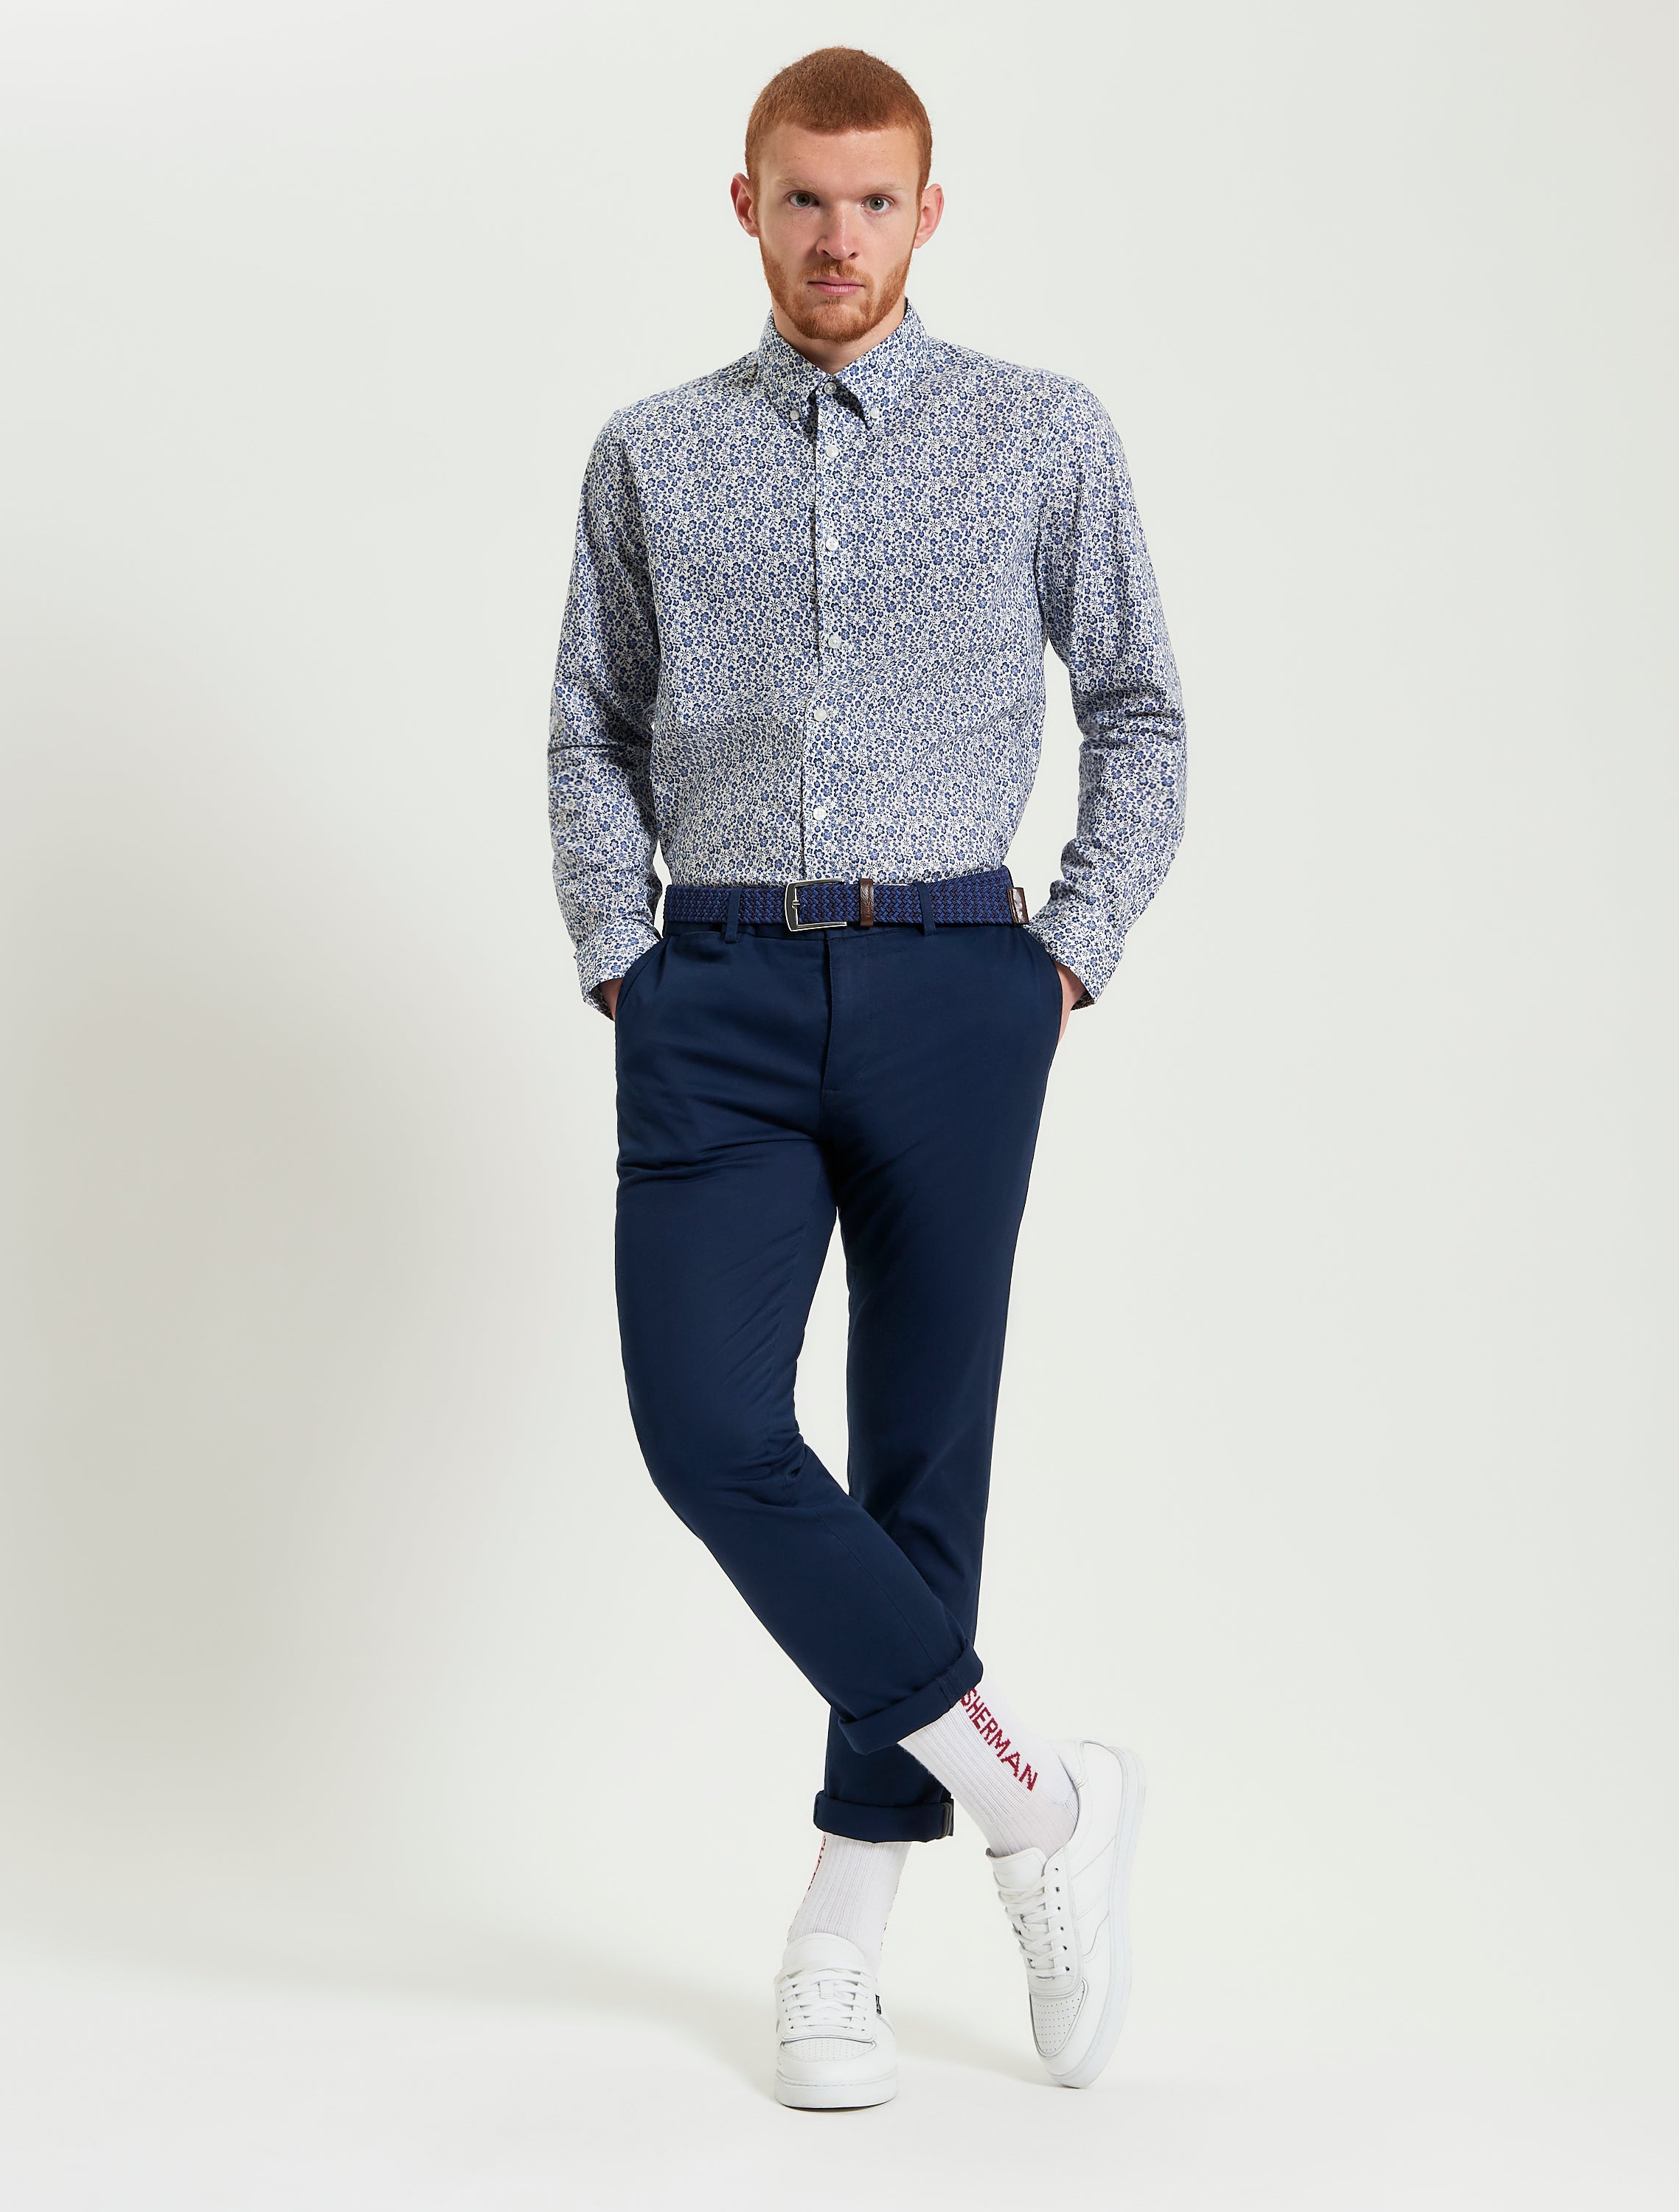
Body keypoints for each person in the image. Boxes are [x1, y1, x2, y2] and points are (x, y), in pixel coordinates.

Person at [548, 45, 1185, 2107]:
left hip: (955, 981)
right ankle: (1039, 1801)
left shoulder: (1039, 434)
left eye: (876, 200)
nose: (840, 238)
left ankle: (841, 1928)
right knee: (709, 1428)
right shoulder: (652, 452)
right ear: (746, 205)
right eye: (805, 198)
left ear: (929, 211)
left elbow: (1142, 710)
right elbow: (590, 723)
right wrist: (626, 956)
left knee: (922, 1453)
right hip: (716, 987)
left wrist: (1063, 954)